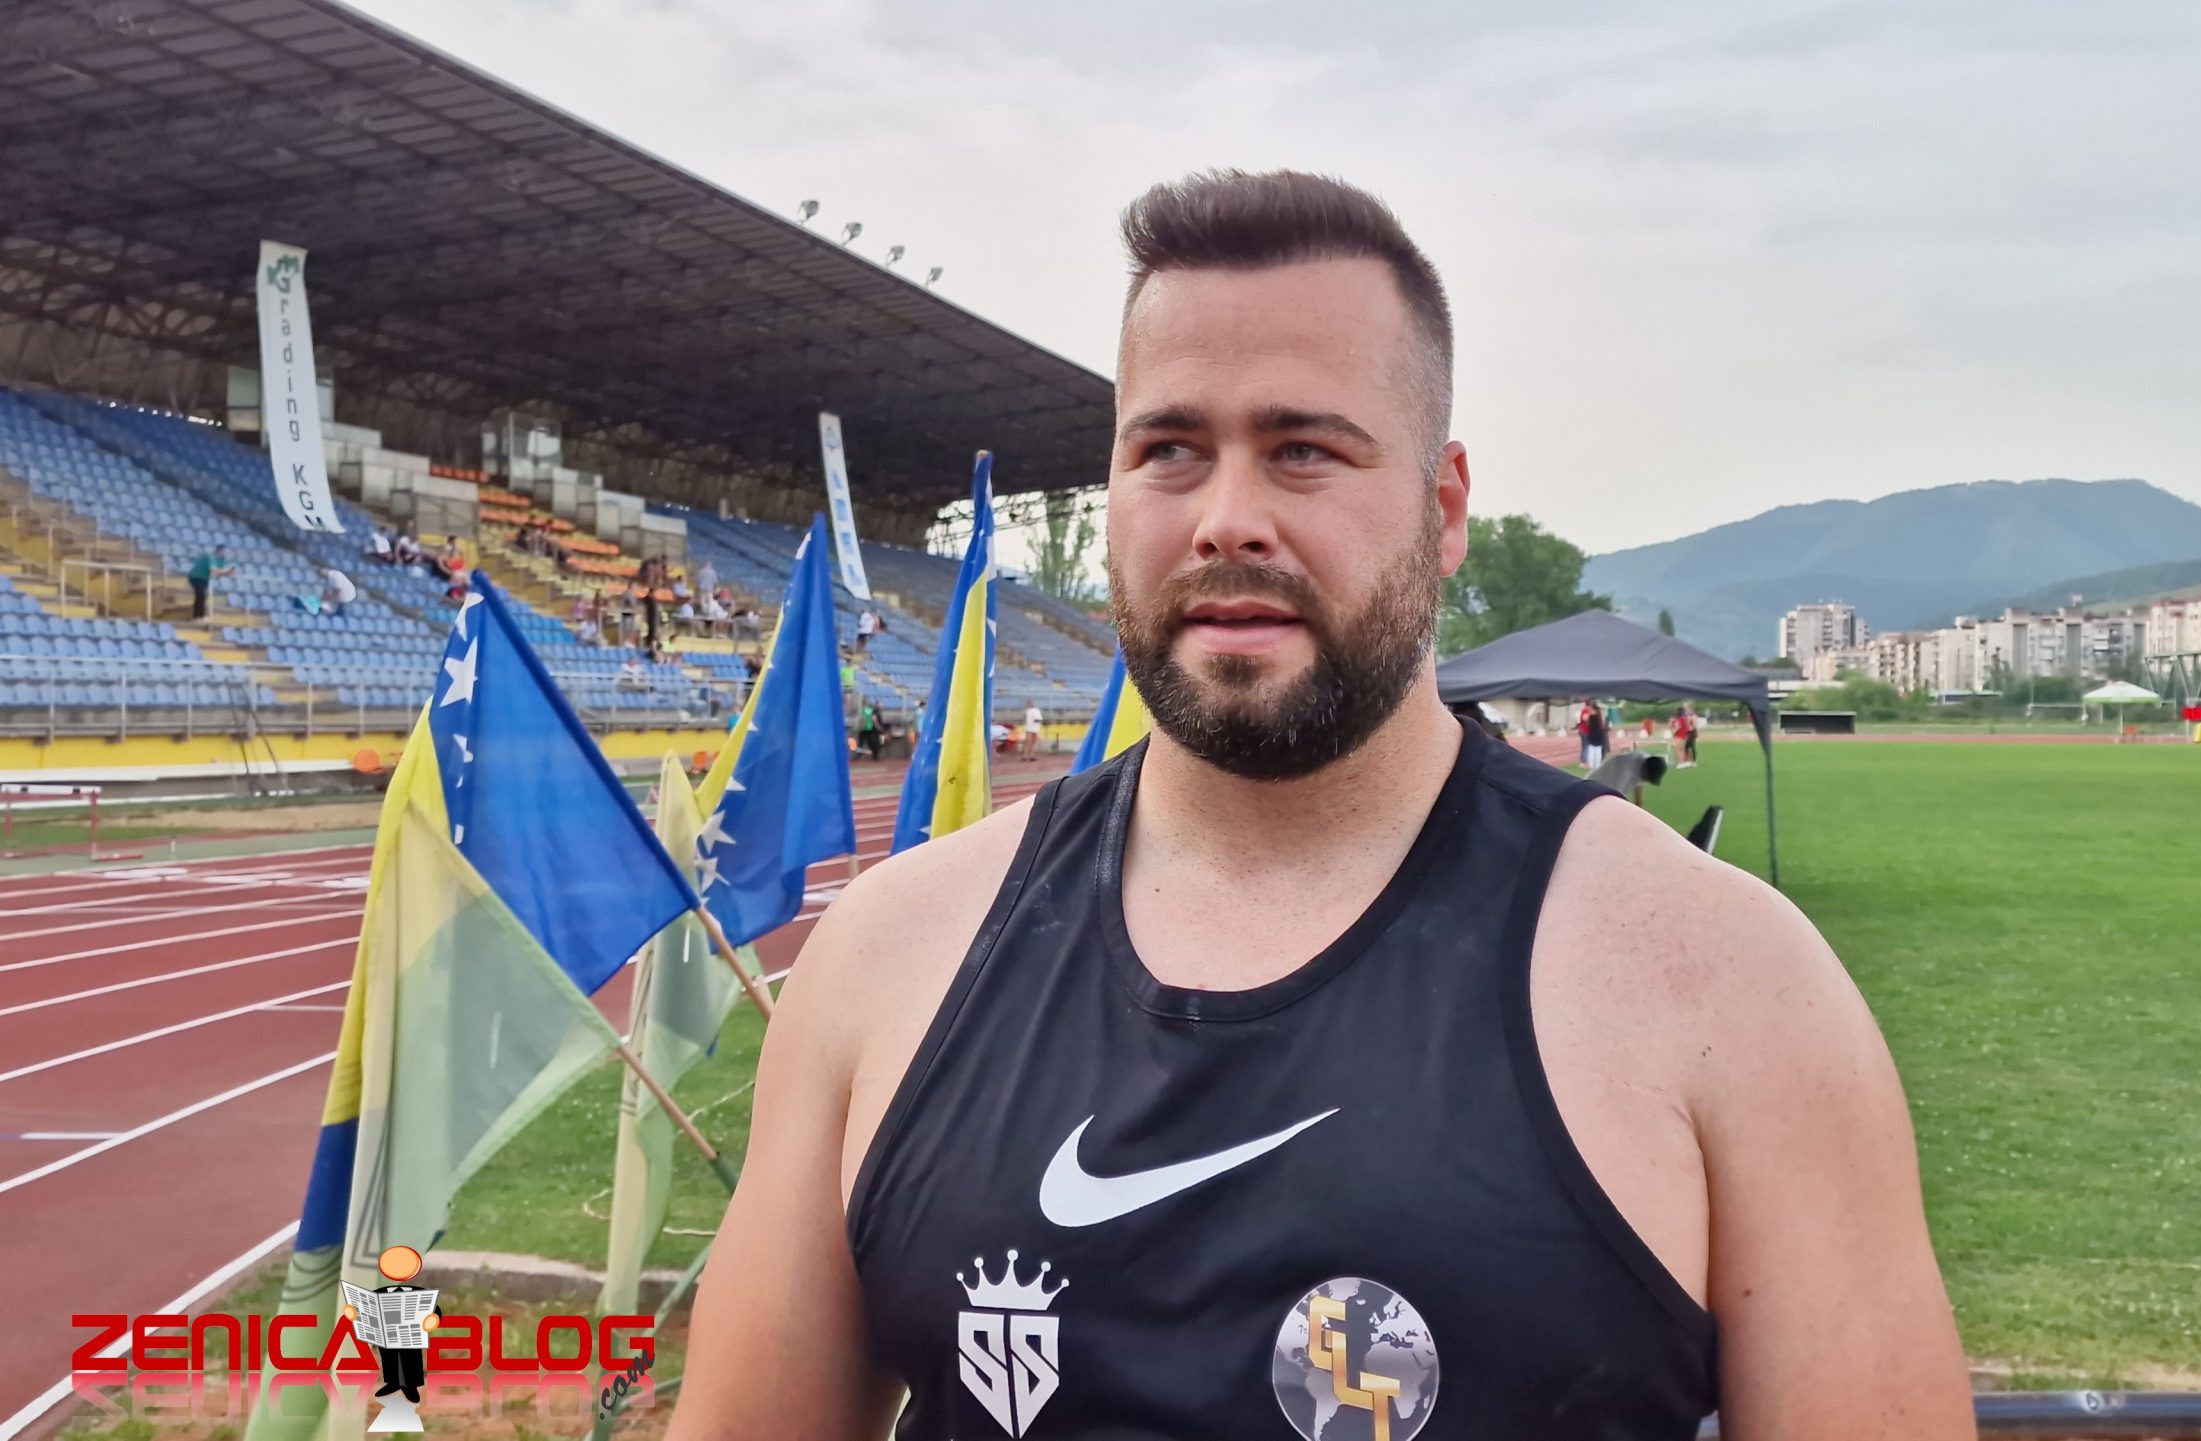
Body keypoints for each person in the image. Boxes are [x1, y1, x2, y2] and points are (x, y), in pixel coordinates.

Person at [671, 170, 1969, 1441]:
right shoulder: (890, 957)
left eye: (1303, 451)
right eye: (1170, 451)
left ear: (1443, 507)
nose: (1227, 520)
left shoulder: (1727, 986)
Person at [339, 1244, 439, 1405]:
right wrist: (355, 1313)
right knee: (389, 1357)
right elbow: (365, 1307)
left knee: (410, 1356)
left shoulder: (417, 1293)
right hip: (387, 1332)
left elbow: (432, 1308)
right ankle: (393, 1382)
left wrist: (432, 1318)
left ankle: (411, 1386)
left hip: (409, 1333)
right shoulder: (379, 1293)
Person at [184, 545, 233, 620]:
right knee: (201, 595)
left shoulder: (223, 560)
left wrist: (228, 572)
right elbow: (213, 570)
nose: (227, 553)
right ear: (220, 551)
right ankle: (198, 616)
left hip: (205, 578)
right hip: (196, 577)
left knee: (202, 596)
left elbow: (219, 572)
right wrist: (226, 571)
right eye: (226, 551)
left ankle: (199, 615)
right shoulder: (211, 557)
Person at [1673, 702, 1699, 768]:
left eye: (1686, 707)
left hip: (1690, 732)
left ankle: (1692, 761)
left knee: (1690, 747)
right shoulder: (1685, 716)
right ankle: (1686, 761)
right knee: (1685, 748)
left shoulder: (1692, 716)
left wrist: (1696, 732)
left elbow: (1694, 726)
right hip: (1686, 732)